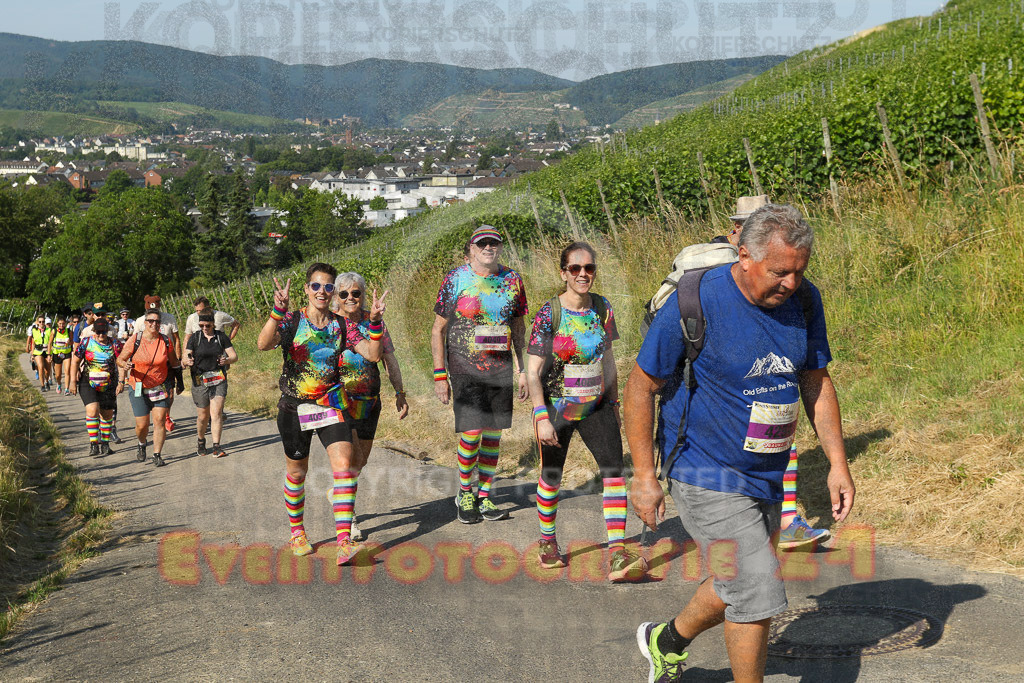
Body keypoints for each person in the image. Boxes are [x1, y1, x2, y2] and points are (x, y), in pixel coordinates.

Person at [626, 204, 856, 682]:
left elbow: (815, 380)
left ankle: (665, 640)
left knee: (742, 579)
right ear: (744, 253)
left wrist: (837, 462)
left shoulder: (804, 301)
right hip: (704, 469)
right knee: (754, 585)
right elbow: (641, 385)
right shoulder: (696, 303)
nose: (790, 283)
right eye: (779, 272)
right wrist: (645, 476)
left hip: (767, 471)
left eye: (799, 271)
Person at [526, 242, 648, 582]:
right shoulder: (549, 313)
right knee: (552, 475)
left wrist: (615, 404)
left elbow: (608, 359)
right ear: (563, 273)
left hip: (597, 405)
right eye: (576, 269)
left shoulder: (602, 307)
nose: (583, 275)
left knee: (613, 473)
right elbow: (533, 372)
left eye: (589, 269)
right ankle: (547, 541)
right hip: (558, 405)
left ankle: (617, 551)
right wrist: (540, 417)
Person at [256, 263, 386, 566]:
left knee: (344, 466)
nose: (323, 292)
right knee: (297, 473)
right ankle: (297, 532)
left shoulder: (342, 325)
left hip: (331, 404)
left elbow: (373, 354)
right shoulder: (292, 321)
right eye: (316, 286)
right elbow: (263, 344)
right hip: (295, 406)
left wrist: (376, 323)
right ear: (306, 289)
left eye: (328, 287)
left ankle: (343, 543)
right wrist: (277, 311)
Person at [431, 224, 529, 524]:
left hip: (499, 369)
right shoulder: (456, 279)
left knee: (493, 434)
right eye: (482, 243)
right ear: (471, 250)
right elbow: (438, 329)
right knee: (472, 432)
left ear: (500, 248)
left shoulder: (512, 279)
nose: (489, 247)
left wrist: (522, 368)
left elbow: (519, 327)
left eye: (494, 243)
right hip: (464, 366)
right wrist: (439, 374)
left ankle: (485, 495)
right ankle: (465, 492)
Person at [332, 271, 409, 540]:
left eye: (356, 293)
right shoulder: (331, 323)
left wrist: (400, 391)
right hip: (338, 400)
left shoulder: (374, 321)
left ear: (363, 295)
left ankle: (340, 492)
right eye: (344, 294)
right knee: (348, 459)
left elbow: (388, 358)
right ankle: (348, 517)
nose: (351, 298)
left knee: (360, 461)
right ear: (335, 297)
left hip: (369, 400)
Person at [117, 309, 184, 467]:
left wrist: (184, 366)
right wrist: (124, 364)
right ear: (145, 323)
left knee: (160, 420)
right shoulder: (136, 339)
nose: (154, 324)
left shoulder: (166, 341)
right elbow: (120, 359)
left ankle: (157, 454)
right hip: (138, 385)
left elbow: (174, 363)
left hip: (160, 386)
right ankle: (141, 443)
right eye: (151, 321)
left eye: (157, 321)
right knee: (142, 425)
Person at [183, 311, 237, 458]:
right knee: (203, 416)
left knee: (216, 413)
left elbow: (234, 356)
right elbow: (185, 356)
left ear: (213, 324)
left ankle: (216, 446)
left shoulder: (221, 337)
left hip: (218, 378)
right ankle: (201, 441)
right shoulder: (195, 338)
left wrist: (226, 361)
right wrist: (187, 361)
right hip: (200, 379)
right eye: (201, 325)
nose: (204, 328)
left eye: (207, 325)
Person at [69, 310, 123, 456]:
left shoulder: (115, 344)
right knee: (92, 411)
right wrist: (72, 381)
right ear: (94, 331)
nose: (101, 335)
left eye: (103, 332)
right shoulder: (86, 342)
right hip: (88, 381)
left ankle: (105, 444)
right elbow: (75, 361)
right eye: (98, 332)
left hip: (108, 382)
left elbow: (122, 363)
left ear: (108, 331)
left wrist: (122, 381)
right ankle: (94, 444)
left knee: (106, 414)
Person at [142, 295, 181, 434]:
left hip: (167, 362)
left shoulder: (169, 318)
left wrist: (178, 358)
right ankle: (151, 417)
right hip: (146, 366)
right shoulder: (140, 321)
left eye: (157, 308)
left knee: (169, 394)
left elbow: (176, 339)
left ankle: (166, 416)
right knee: (148, 394)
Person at [26, 315, 53, 391]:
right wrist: (31, 354)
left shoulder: (49, 330)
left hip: (47, 351)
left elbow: (51, 343)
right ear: (37, 322)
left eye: (43, 321)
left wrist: (49, 354)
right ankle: (42, 385)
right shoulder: (34, 330)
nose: (41, 323)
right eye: (40, 322)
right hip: (38, 351)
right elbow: (33, 342)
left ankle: (47, 380)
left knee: (47, 370)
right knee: (40, 367)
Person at [48, 316, 74, 395]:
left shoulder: (69, 331)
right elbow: (49, 343)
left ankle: (66, 389)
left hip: (66, 353)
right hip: (57, 354)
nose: (61, 325)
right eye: (60, 324)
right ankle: (59, 384)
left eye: (63, 324)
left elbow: (72, 342)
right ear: (57, 324)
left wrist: (69, 342)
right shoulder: (54, 331)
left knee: (67, 371)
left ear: (65, 324)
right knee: (58, 374)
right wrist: (49, 354)